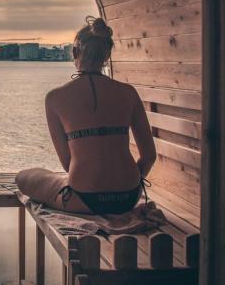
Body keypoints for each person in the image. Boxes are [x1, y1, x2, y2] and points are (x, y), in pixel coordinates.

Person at [16, 17, 156, 215]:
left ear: (74, 52)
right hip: (128, 198)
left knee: (24, 177)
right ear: (106, 56)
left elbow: (68, 164)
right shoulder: (128, 92)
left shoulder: (55, 98)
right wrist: (126, 182)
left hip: (85, 199)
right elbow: (149, 156)